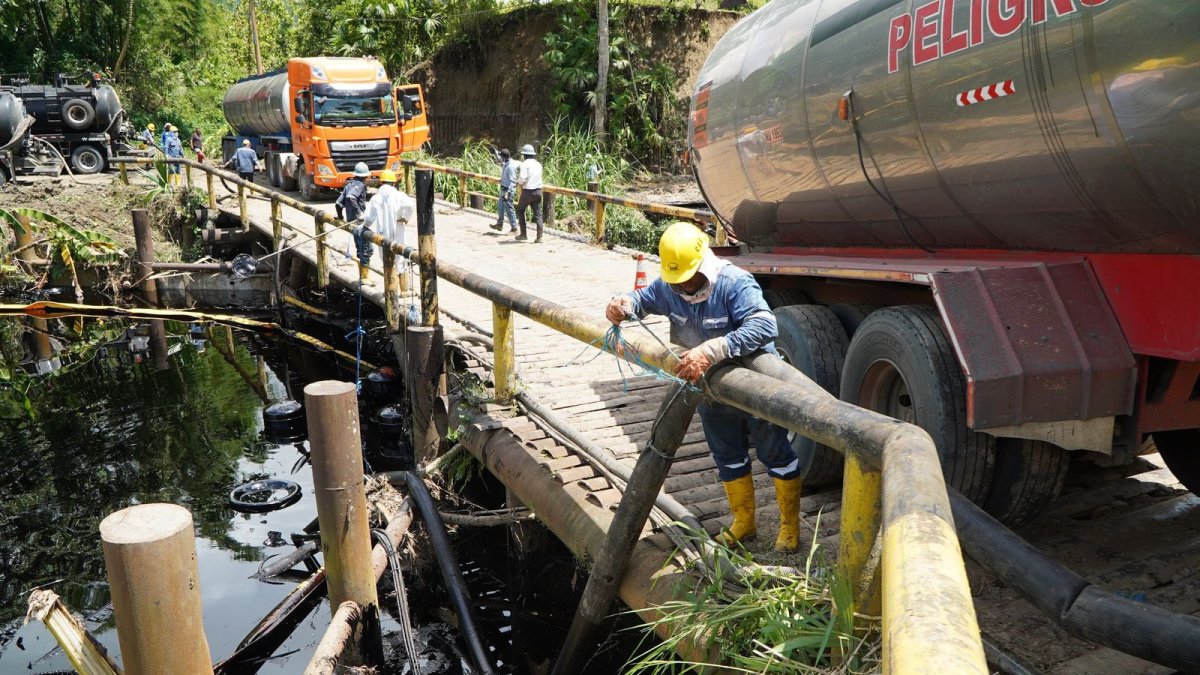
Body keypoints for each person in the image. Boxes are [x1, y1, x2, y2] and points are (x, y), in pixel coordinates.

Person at [604, 222, 806, 552]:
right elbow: (641, 300)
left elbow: (765, 325)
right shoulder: (670, 287)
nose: (682, 285)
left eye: (687, 277)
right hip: (710, 391)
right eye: (676, 280)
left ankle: (789, 525)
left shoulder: (734, 283)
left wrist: (712, 349)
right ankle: (744, 522)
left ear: (702, 262)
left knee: (774, 452)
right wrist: (621, 302)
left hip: (756, 385)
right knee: (727, 453)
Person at [359, 169, 415, 286]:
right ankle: (404, 289)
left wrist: (364, 227)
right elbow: (410, 205)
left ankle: (390, 287)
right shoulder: (400, 195)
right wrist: (403, 217)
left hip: (382, 232)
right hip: (398, 230)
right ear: (394, 183)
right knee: (401, 257)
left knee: (386, 259)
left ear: (381, 182)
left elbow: (369, 218)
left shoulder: (376, 198)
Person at [513, 144, 543, 243]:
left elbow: (523, 179)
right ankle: (539, 237)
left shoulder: (524, 164)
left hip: (528, 192)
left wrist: (518, 182)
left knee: (520, 210)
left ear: (524, 155)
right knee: (538, 214)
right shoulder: (538, 164)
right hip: (538, 191)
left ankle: (523, 234)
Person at [490, 148, 517, 233]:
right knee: (500, 208)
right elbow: (498, 155)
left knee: (509, 209)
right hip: (503, 189)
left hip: (508, 191)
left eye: (501, 157)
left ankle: (514, 228)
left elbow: (512, 181)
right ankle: (499, 224)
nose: (500, 158)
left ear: (504, 157)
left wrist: (508, 193)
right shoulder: (506, 163)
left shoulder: (510, 167)